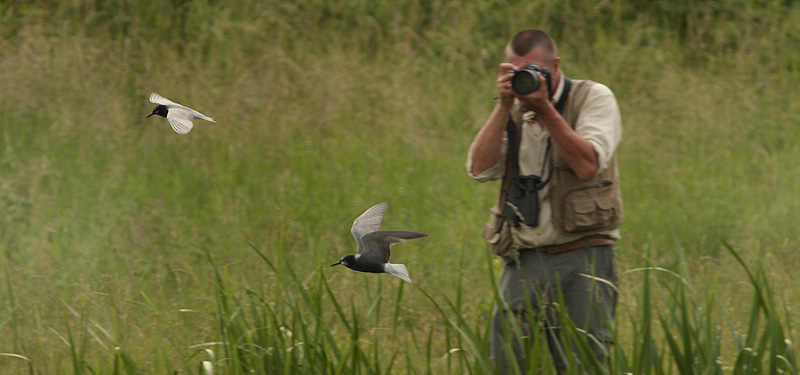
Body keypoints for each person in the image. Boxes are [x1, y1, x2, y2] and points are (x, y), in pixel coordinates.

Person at [467, 29, 623, 374]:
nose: (526, 79)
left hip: (585, 256)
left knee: (585, 364)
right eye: (515, 71)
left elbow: (588, 165)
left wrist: (546, 110)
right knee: (506, 362)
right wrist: (504, 107)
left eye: (533, 70)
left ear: (555, 66)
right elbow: (479, 169)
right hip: (524, 259)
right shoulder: (513, 108)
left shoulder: (593, 97)